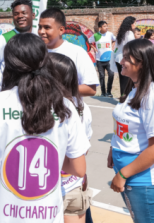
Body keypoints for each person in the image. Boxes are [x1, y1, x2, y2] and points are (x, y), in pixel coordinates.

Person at [0, 33, 90, 223]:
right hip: (47, 215)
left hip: (2, 215)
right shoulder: (65, 105)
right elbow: (79, 168)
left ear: (9, 64)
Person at [107, 39, 154, 222]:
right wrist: (113, 147)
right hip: (128, 173)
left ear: (141, 62)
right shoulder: (134, 88)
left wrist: (123, 174)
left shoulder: (150, 96)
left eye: (126, 57)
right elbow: (124, 124)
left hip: (140, 180)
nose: (121, 61)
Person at [49, 53, 93, 223]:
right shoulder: (81, 106)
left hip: (43, 189)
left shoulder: (34, 108)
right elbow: (84, 150)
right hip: (73, 184)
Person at [38, 7, 99, 97]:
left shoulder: (77, 52)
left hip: (66, 109)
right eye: (40, 27)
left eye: (47, 27)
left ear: (61, 30)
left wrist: (54, 90)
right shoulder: (35, 52)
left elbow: (90, 89)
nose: (41, 31)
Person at [88, 21, 116, 97]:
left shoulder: (110, 34)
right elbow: (89, 41)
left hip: (109, 59)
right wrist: (94, 48)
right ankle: (103, 93)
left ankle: (109, 92)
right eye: (104, 26)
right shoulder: (96, 35)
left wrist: (112, 46)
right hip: (99, 59)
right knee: (102, 76)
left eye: (107, 26)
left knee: (111, 74)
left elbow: (115, 40)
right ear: (100, 27)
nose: (106, 27)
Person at [114, 16, 136, 96]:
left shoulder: (121, 34)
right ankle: (126, 98)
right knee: (128, 80)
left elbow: (116, 48)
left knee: (122, 80)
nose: (135, 25)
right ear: (130, 24)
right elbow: (132, 47)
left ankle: (123, 97)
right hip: (126, 59)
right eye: (134, 23)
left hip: (118, 59)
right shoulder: (130, 34)